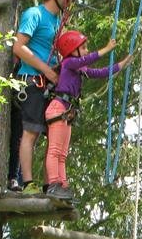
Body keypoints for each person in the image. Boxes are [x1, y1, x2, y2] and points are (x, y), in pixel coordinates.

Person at [43, 31, 131, 199]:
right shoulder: (69, 63)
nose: (86, 50)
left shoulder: (79, 69)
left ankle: (63, 185)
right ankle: (54, 184)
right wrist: (107, 49)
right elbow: (87, 59)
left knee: (62, 153)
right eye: (83, 48)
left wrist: (122, 64)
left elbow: (100, 72)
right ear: (72, 50)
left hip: (66, 112)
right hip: (58, 109)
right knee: (55, 150)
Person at [8, 0, 72, 192]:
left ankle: (50, 184)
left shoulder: (57, 22)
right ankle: (27, 183)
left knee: (53, 133)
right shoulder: (34, 14)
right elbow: (18, 46)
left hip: (47, 83)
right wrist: (46, 69)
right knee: (31, 132)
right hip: (32, 80)